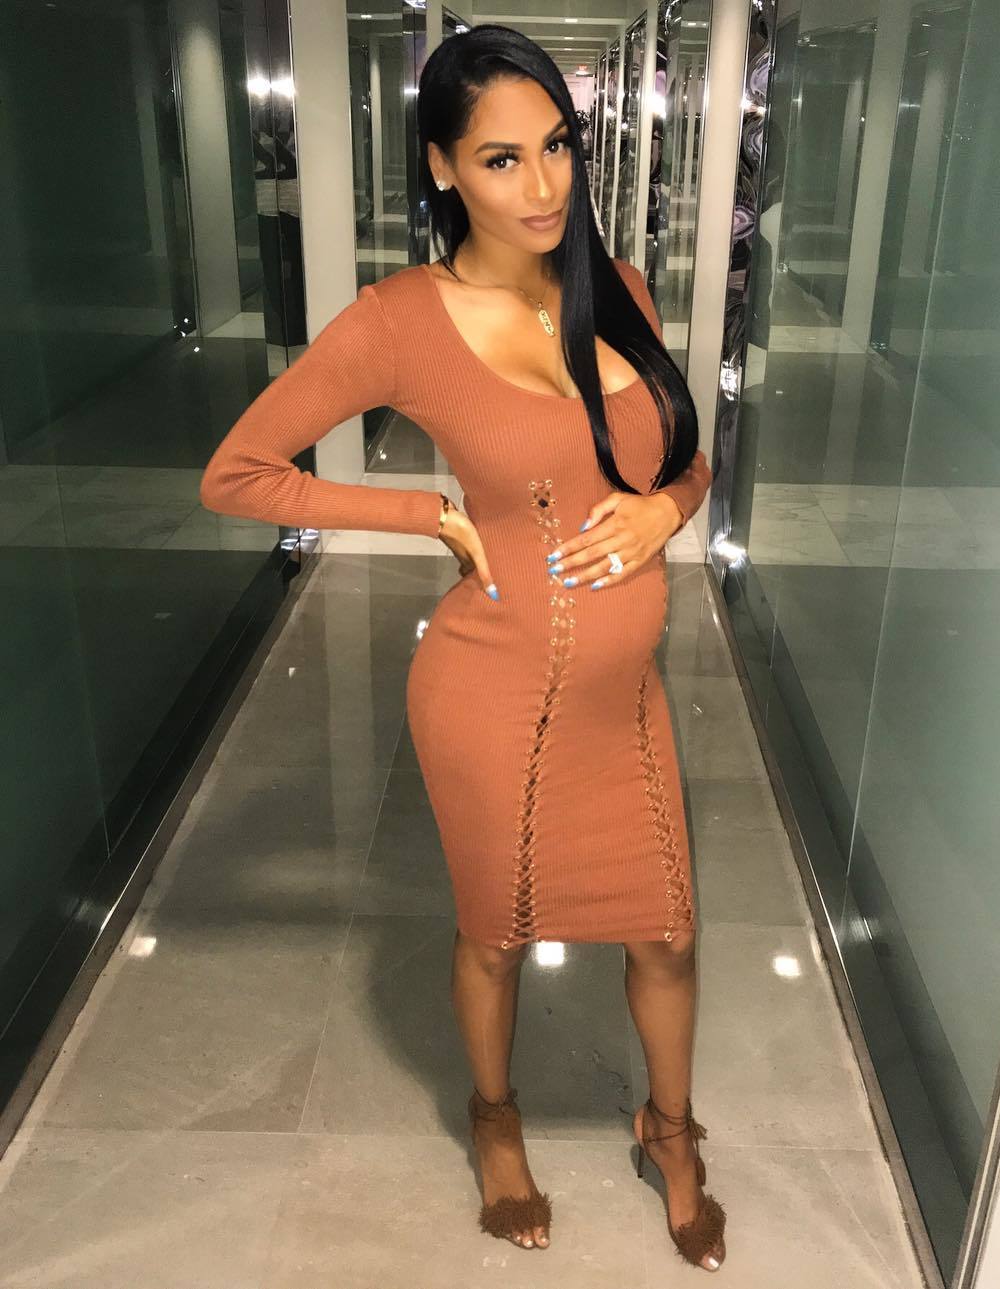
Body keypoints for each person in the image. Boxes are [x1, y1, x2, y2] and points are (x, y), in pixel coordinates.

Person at [199, 23, 723, 1273]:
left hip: (626, 696)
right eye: (501, 158)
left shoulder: (619, 284)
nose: (542, 186)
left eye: (557, 148)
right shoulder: (402, 320)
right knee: (496, 930)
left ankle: (671, 1128)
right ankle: (495, 1121)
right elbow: (237, 472)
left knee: (668, 929)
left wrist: (667, 507)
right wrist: (424, 514)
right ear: (441, 166)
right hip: (493, 694)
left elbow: (689, 452)